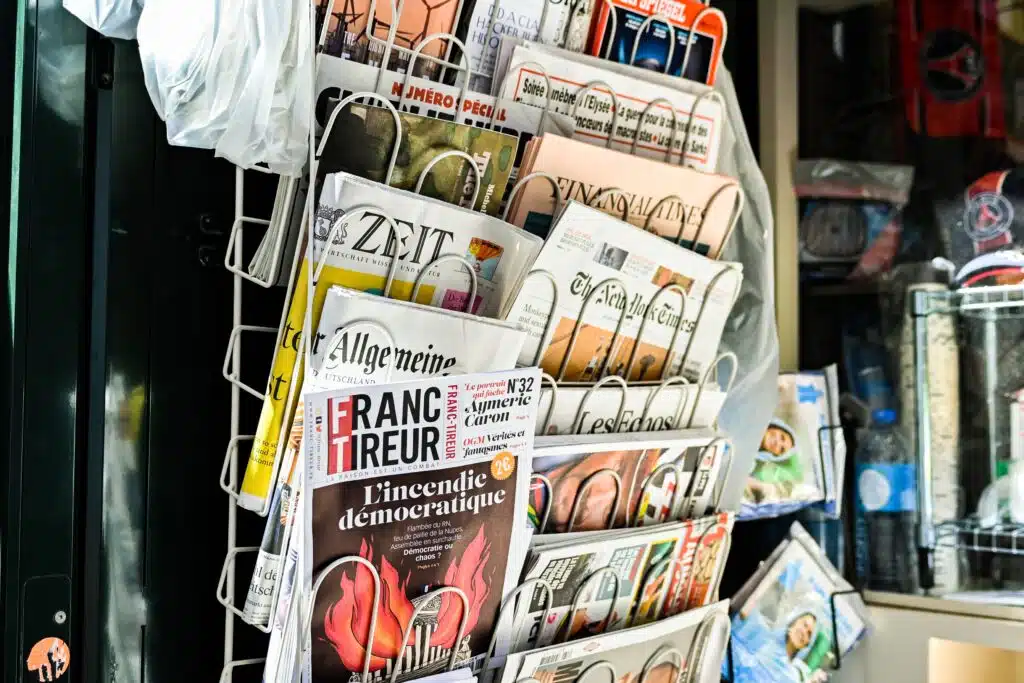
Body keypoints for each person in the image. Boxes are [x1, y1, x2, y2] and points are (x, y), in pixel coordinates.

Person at [743, 420, 804, 504]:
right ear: (775, 427)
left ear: (776, 455)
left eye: (781, 449)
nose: (778, 443)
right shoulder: (748, 418)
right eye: (782, 437)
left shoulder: (747, 466)